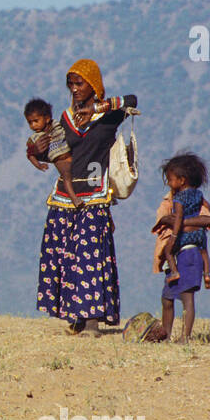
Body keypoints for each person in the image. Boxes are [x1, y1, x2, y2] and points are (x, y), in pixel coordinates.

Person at [31, 58, 136, 337]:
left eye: (80, 84)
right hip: (65, 197)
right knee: (67, 257)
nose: (75, 89)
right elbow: (53, 152)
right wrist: (38, 150)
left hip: (94, 198)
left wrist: (96, 108)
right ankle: (75, 316)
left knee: (90, 256)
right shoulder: (63, 121)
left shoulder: (109, 116)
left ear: (94, 85)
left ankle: (92, 322)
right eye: (71, 84)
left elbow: (133, 100)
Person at [152, 153, 210, 342]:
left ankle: (184, 337)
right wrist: (167, 221)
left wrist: (178, 226)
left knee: (187, 298)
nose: (168, 183)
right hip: (178, 255)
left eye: (170, 180)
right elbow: (162, 223)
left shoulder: (186, 200)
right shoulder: (169, 202)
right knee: (167, 298)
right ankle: (167, 335)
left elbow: (207, 220)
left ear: (181, 180)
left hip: (188, 251)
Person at [24, 98, 81, 205]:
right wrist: (38, 165)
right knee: (66, 175)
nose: (33, 125)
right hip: (59, 160)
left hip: (69, 154)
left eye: (36, 121)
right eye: (30, 123)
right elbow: (30, 154)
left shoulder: (57, 125)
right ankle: (74, 199)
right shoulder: (35, 138)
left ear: (47, 119)